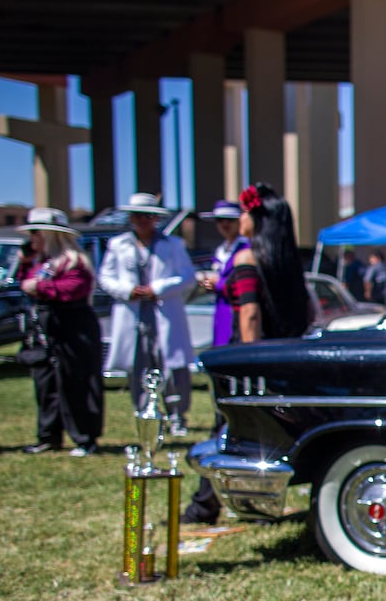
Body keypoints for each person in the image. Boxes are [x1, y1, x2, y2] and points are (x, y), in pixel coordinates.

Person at [181, 183, 312, 525]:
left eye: (244, 212)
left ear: (257, 217)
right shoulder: (286, 262)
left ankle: (205, 506)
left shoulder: (247, 258)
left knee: (227, 430)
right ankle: (246, 505)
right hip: (284, 357)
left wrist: (249, 364)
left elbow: (249, 313)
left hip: (253, 356)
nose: (240, 219)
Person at [98, 192, 196, 436]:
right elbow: (106, 277)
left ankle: (177, 416)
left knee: (172, 366)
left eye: (148, 216)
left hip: (164, 311)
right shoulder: (118, 245)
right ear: (130, 218)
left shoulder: (173, 245)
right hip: (134, 314)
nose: (142, 221)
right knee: (138, 366)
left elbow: (187, 276)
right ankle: (146, 414)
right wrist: (127, 290)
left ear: (156, 218)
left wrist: (158, 289)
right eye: (138, 216)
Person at [17, 208, 104, 457]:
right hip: (47, 328)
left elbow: (73, 289)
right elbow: (24, 283)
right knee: (46, 382)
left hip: (74, 327)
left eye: (35, 232)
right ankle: (49, 435)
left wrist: (41, 287)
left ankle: (85, 437)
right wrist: (25, 265)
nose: (31, 238)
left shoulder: (75, 262)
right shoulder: (41, 263)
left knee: (76, 381)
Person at [196, 200, 249, 348]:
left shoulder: (246, 248)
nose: (225, 224)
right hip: (222, 310)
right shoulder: (221, 250)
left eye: (230, 220)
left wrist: (218, 283)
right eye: (220, 220)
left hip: (238, 310)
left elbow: (243, 285)